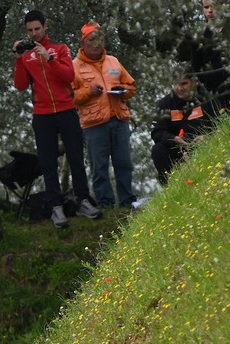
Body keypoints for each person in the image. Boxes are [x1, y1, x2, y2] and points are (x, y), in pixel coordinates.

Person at [12, 9, 100, 228]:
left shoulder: (60, 49)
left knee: (76, 156)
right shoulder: (26, 55)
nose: (34, 34)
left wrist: (48, 57)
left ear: (45, 26)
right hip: (42, 115)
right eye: (30, 30)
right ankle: (56, 207)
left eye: (37, 29)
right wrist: (18, 59)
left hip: (66, 110)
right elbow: (21, 85)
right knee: (48, 162)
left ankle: (82, 200)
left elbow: (68, 76)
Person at [72, 21, 138, 208]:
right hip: (93, 124)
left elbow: (131, 86)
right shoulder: (74, 66)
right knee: (99, 166)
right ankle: (105, 202)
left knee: (124, 163)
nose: (96, 43)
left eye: (100, 39)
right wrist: (88, 92)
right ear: (83, 43)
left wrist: (121, 90)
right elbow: (69, 97)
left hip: (119, 119)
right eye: (91, 39)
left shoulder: (113, 61)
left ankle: (127, 200)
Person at [150, 73, 219, 185]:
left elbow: (220, 122)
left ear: (193, 82)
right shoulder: (164, 104)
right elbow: (157, 132)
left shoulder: (206, 97)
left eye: (184, 84)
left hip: (205, 142)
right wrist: (173, 139)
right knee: (157, 149)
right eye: (176, 84)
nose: (179, 88)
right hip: (178, 146)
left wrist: (207, 136)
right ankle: (169, 186)